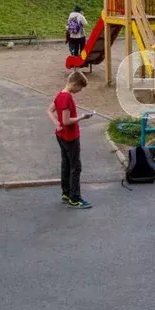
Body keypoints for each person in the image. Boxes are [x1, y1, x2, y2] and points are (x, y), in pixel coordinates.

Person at [46, 71, 94, 209]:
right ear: (74, 84)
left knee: (65, 164)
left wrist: (56, 123)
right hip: (70, 137)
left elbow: (49, 111)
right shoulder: (67, 98)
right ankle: (75, 198)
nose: (80, 90)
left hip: (60, 136)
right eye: (80, 87)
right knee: (75, 167)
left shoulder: (60, 95)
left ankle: (66, 193)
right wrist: (82, 117)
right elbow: (67, 121)